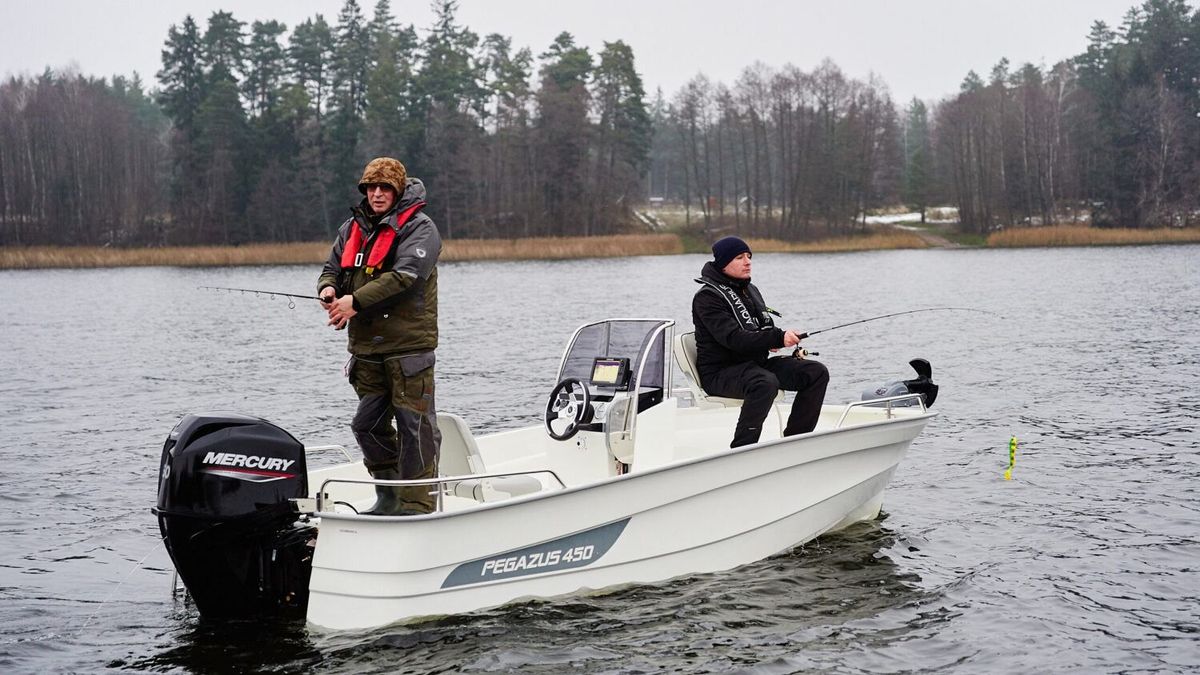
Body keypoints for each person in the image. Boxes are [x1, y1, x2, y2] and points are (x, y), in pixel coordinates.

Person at [317, 157, 442, 515]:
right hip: (367, 350)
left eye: (384, 187)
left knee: (414, 427)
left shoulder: (421, 228)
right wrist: (328, 289)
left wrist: (354, 302)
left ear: (397, 191)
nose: (376, 194)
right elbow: (331, 269)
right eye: (371, 187)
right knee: (366, 425)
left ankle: (418, 506)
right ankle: (389, 496)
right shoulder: (351, 228)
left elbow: (405, 277)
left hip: (408, 348)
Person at [692, 236, 829, 448]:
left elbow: (759, 329)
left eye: (749, 256)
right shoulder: (707, 298)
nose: (747, 262)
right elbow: (734, 339)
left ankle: (796, 441)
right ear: (723, 263)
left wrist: (776, 339)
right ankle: (743, 449)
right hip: (721, 373)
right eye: (739, 257)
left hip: (755, 364)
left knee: (815, 372)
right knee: (764, 383)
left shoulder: (749, 289)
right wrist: (777, 337)